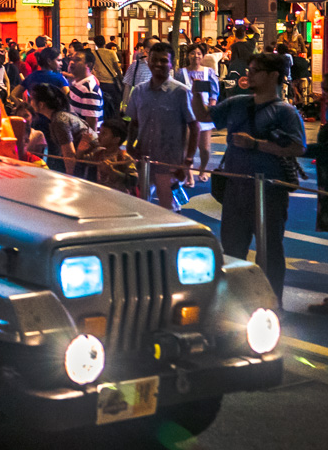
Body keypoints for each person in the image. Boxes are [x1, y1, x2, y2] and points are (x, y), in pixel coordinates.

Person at [193, 52, 306, 308]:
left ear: (274, 76)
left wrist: (257, 144)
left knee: (270, 250)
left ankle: (272, 302)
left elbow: (297, 146)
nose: (249, 73)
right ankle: (234, 303)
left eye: (255, 70)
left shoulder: (285, 112)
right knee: (232, 249)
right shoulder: (238, 103)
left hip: (269, 191)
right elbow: (205, 116)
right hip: (236, 188)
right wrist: (196, 90)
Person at [127, 42, 198, 211]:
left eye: (163, 60)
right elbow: (134, 122)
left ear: (171, 64)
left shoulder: (181, 92)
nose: (158, 64)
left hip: (170, 162)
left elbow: (194, 126)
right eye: (154, 60)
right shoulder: (139, 91)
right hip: (143, 159)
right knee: (141, 204)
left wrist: (188, 159)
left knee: (168, 208)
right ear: (148, 62)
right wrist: (130, 145)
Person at [30, 83, 96, 176]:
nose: (30, 102)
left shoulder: (59, 121)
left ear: (41, 104)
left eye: (32, 99)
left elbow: (69, 156)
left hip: (91, 165)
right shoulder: (59, 117)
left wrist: (69, 180)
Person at [177, 43, 221, 178]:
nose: (195, 56)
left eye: (198, 54)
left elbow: (215, 92)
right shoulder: (181, 73)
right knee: (188, 146)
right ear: (188, 55)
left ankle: (203, 169)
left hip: (204, 112)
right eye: (192, 53)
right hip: (187, 113)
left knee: (205, 148)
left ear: (202, 56)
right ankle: (189, 174)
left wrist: (211, 107)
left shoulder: (209, 72)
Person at [93, 122, 138, 194]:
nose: (99, 136)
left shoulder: (125, 158)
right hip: (100, 194)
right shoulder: (98, 153)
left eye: (104, 133)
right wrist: (81, 150)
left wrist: (112, 171)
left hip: (118, 197)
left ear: (116, 140)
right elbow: (83, 161)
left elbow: (133, 180)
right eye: (100, 132)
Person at [67, 50, 104, 130]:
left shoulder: (89, 90)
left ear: (89, 65)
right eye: (71, 59)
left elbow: (91, 124)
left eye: (77, 60)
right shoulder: (76, 83)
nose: (72, 62)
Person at [92, 35, 123, 123]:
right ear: (105, 42)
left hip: (100, 83)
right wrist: (120, 79)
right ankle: (115, 123)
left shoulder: (93, 53)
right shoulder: (111, 53)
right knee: (115, 105)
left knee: (103, 105)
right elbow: (117, 68)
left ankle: (105, 122)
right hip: (112, 83)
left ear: (95, 43)